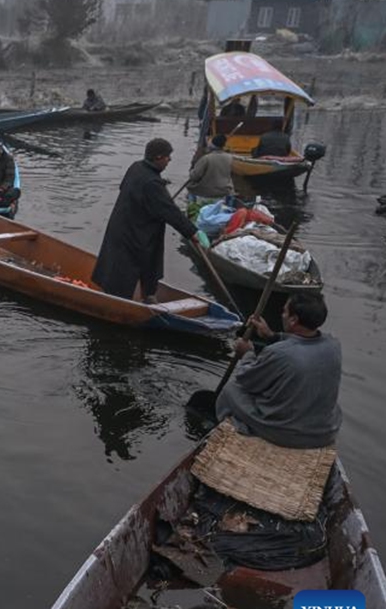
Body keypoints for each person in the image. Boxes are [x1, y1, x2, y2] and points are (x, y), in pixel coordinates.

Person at [217, 294, 342, 449]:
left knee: (232, 390)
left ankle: (242, 431)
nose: (282, 315)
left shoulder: (280, 353)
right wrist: (272, 336)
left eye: (284, 312)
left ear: (293, 320)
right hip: (324, 432)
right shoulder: (334, 344)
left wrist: (247, 354)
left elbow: (247, 379)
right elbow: (298, 345)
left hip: (287, 433)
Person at [91, 138, 209, 302]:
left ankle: (145, 297)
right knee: (130, 268)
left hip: (123, 226)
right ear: (158, 157)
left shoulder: (136, 167)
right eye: (168, 157)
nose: (169, 160)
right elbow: (170, 212)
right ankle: (121, 302)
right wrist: (192, 232)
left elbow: (129, 189)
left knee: (132, 266)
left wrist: (160, 188)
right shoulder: (152, 183)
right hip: (136, 234)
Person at [185, 133, 234, 201]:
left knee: (191, 191)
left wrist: (191, 171)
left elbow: (194, 176)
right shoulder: (230, 158)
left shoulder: (206, 159)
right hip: (223, 192)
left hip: (205, 193)